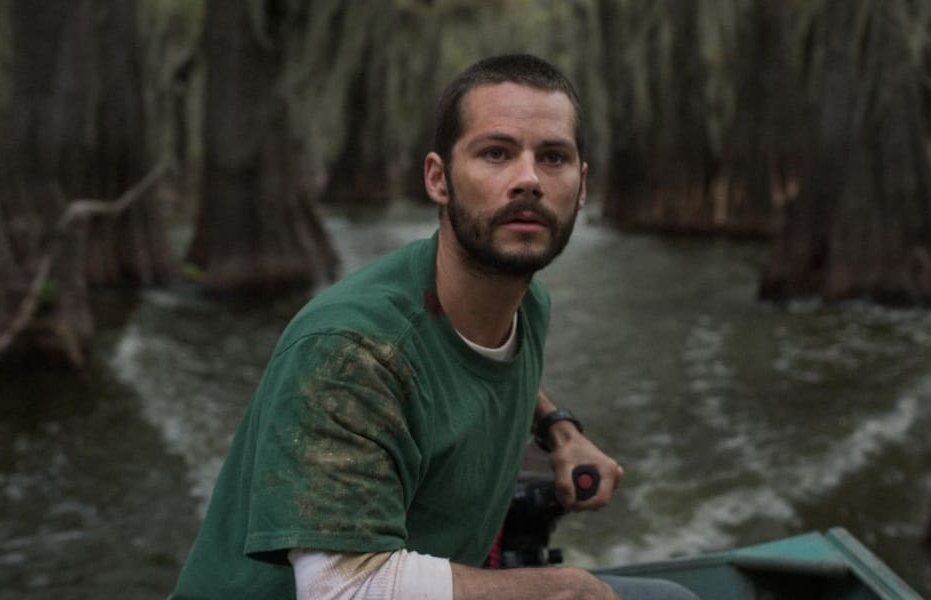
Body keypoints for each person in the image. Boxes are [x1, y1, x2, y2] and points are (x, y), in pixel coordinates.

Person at [171, 54, 696, 599]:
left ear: (582, 186)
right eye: (496, 153)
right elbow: (342, 590)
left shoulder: (525, 304)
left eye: (553, 157)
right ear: (438, 179)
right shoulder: (350, 352)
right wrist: (566, 589)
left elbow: (481, 363)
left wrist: (559, 430)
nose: (528, 179)